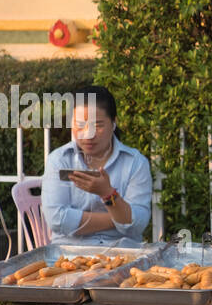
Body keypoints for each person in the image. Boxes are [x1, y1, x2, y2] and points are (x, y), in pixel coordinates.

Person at [42, 85, 153, 245]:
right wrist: (118, 217)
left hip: (123, 257)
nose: (88, 134)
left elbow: (138, 225)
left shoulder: (135, 163)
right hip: (68, 258)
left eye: (98, 125)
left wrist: (108, 194)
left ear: (114, 123)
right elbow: (57, 220)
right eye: (80, 125)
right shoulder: (59, 160)